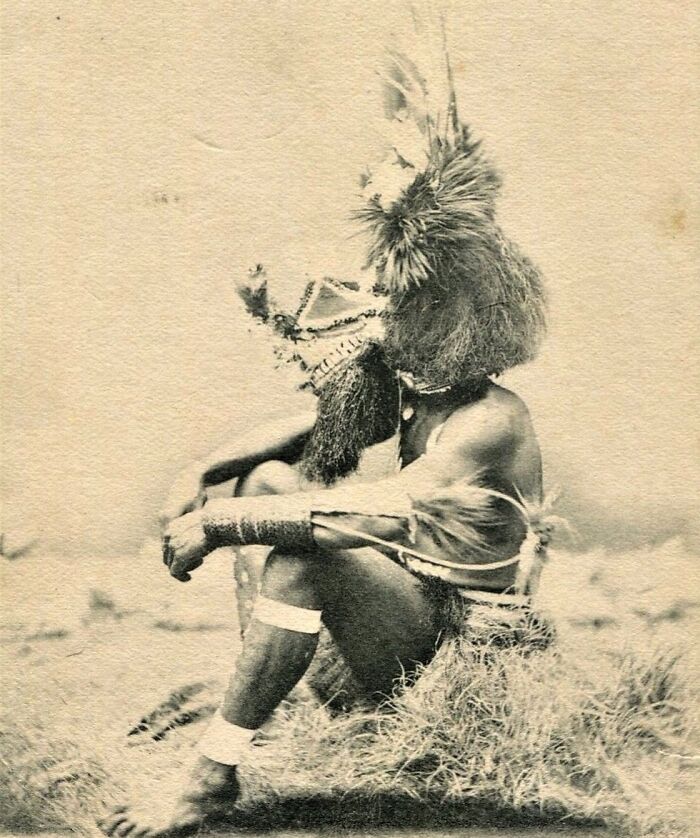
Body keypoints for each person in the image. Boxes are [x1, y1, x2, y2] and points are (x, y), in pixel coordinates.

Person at [99, 45, 551, 838]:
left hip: (452, 666)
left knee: (307, 544)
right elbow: (321, 420)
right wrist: (207, 471)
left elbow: (376, 518)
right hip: (389, 646)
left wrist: (213, 525)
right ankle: (256, 710)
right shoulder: (419, 383)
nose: (386, 315)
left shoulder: (492, 421)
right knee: (272, 486)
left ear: (461, 323)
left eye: (406, 306)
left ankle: (209, 777)